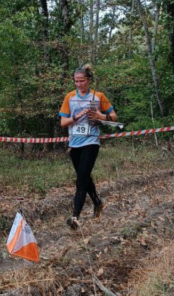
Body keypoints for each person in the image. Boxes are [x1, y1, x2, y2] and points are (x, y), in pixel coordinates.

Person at [59, 64, 117, 230]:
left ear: (89, 80)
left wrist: (100, 116)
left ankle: (75, 217)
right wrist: (76, 117)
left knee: (80, 180)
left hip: (91, 142)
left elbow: (114, 117)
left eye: (82, 81)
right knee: (84, 177)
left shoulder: (98, 96)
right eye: (76, 81)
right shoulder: (69, 97)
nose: (79, 84)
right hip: (75, 143)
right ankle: (97, 202)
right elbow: (63, 122)